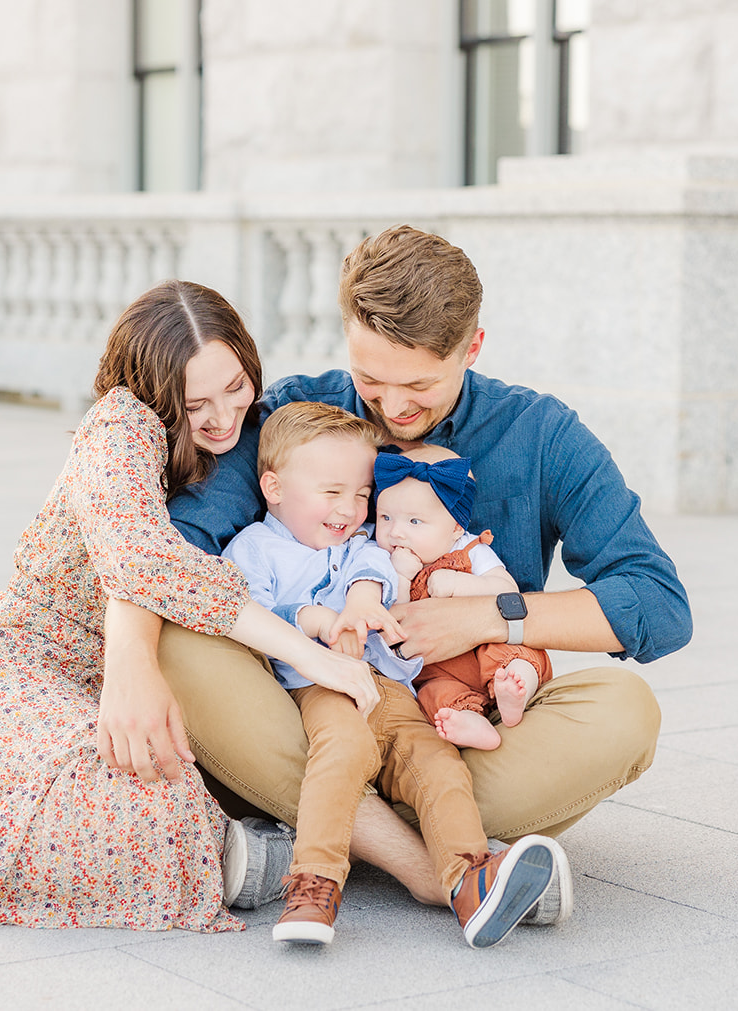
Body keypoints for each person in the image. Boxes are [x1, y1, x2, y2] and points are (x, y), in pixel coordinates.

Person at [0, 281, 382, 938]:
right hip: (8, 674)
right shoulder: (121, 427)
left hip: (88, 702)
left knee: (159, 795)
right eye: (197, 403)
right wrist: (311, 656)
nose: (224, 415)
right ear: (158, 394)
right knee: (161, 817)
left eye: (236, 386)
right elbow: (147, 563)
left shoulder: (253, 435)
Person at [157, 225, 693, 915]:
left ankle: (312, 835)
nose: (393, 405)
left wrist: (487, 614)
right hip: (305, 720)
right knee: (179, 642)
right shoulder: (293, 412)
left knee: (627, 710)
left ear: (472, 346)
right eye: (370, 379)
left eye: (419, 384)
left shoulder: (542, 435)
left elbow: (658, 603)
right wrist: (137, 669)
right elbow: (169, 557)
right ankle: (435, 862)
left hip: (456, 734)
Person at [222, 401, 563, 948]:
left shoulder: (366, 548)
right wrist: (312, 618)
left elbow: (373, 574)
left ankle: (470, 878)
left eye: (361, 496)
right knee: (344, 751)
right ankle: (314, 884)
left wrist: (364, 596)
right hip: (323, 685)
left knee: (437, 763)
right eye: (332, 493)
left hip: (392, 691)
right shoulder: (255, 550)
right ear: (274, 487)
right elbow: (244, 616)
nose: (350, 510)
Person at [374, 445, 554, 751]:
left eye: (414, 522)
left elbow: (506, 591)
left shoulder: (472, 549)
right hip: (437, 667)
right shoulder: (381, 560)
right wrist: (401, 577)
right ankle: (468, 719)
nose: (396, 533)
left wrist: (459, 583)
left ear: (456, 528)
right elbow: (392, 620)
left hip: (483, 645)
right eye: (386, 517)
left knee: (518, 650)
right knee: (433, 693)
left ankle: (516, 687)